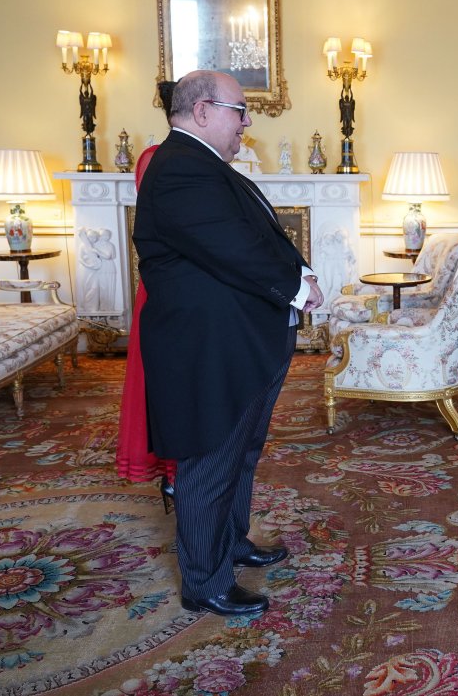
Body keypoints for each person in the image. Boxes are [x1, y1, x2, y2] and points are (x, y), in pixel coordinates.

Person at [133, 70, 324, 618]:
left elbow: (258, 235)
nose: (246, 121)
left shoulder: (205, 166)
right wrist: (295, 285)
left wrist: (301, 271)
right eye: (239, 110)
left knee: (241, 452)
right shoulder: (179, 170)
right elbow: (231, 249)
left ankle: (231, 542)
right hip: (210, 348)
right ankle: (205, 582)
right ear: (201, 112)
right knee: (210, 461)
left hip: (241, 339)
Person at [116, 81, 177, 489]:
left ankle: (177, 469)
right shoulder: (158, 159)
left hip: (165, 282)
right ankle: (172, 468)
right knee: (165, 372)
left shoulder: (164, 158)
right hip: (166, 285)